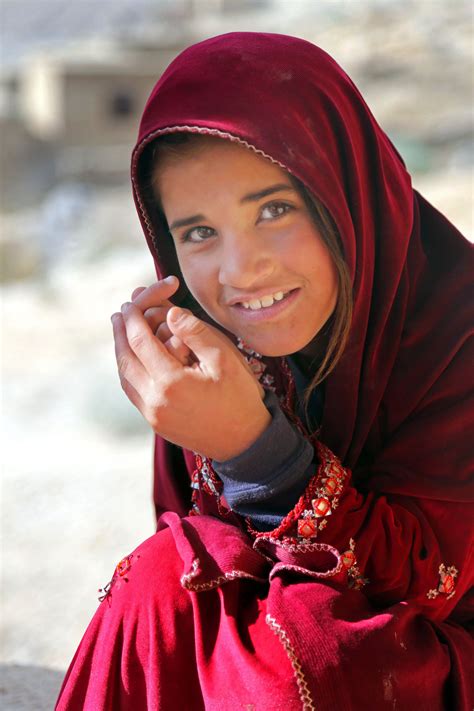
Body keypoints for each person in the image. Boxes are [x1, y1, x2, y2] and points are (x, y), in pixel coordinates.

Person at [55, 32, 473, 710]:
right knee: (159, 581)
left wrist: (258, 452)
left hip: (440, 647)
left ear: (344, 192)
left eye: (274, 210)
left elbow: (433, 584)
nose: (240, 271)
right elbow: (201, 548)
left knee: (309, 646)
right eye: (198, 232)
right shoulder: (212, 347)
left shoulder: (455, 328)